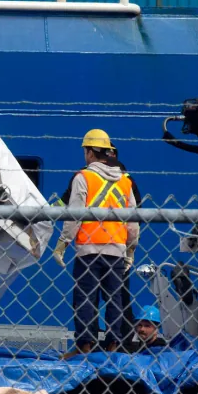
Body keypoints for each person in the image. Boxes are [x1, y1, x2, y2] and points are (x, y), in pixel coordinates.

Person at [53, 129, 139, 354]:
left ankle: (85, 346)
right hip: (117, 250)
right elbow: (133, 221)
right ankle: (113, 344)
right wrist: (131, 249)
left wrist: (63, 243)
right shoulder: (125, 181)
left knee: (85, 299)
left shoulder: (84, 177)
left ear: (90, 152)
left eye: (85, 150)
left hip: (88, 250)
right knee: (115, 299)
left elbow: (75, 215)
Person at [108, 143, 141, 342]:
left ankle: (120, 337)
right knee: (118, 295)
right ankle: (119, 338)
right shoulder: (127, 181)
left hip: (110, 245)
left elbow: (135, 215)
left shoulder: (126, 181)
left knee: (116, 295)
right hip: (117, 246)